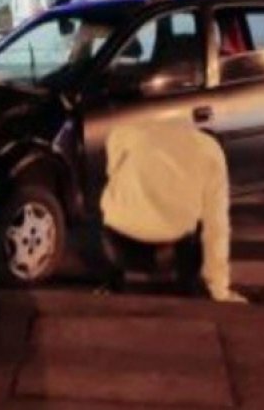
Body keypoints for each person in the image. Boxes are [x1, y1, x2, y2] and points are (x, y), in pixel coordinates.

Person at [100, 120, 245, 302]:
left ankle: (111, 285)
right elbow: (217, 229)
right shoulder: (214, 155)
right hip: (169, 255)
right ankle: (187, 288)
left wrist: (115, 172)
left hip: (118, 249)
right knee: (204, 223)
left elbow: (115, 135)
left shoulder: (146, 131)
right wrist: (220, 290)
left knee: (112, 207)